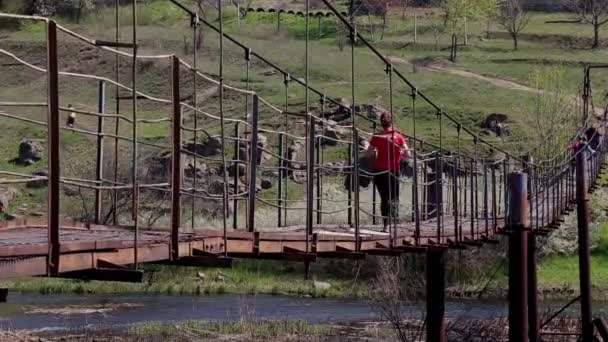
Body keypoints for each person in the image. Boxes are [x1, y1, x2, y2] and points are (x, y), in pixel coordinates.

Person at [365, 113, 412, 232]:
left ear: (381, 123)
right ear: (392, 122)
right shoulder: (399, 136)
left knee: (384, 198)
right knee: (394, 197)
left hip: (379, 171)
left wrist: (375, 152)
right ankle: (394, 224)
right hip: (393, 171)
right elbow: (408, 154)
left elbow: (368, 153)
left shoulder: (377, 137)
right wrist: (399, 153)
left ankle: (386, 226)